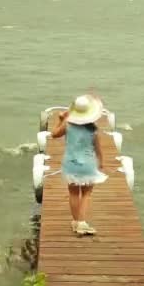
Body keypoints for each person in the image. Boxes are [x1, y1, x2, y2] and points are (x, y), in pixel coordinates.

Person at [51, 94, 108, 235]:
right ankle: (82, 223)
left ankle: (76, 222)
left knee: (73, 193)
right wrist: (101, 162)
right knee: (87, 193)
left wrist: (61, 119)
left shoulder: (68, 125)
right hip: (88, 164)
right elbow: (98, 149)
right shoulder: (93, 130)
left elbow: (54, 134)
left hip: (70, 163)